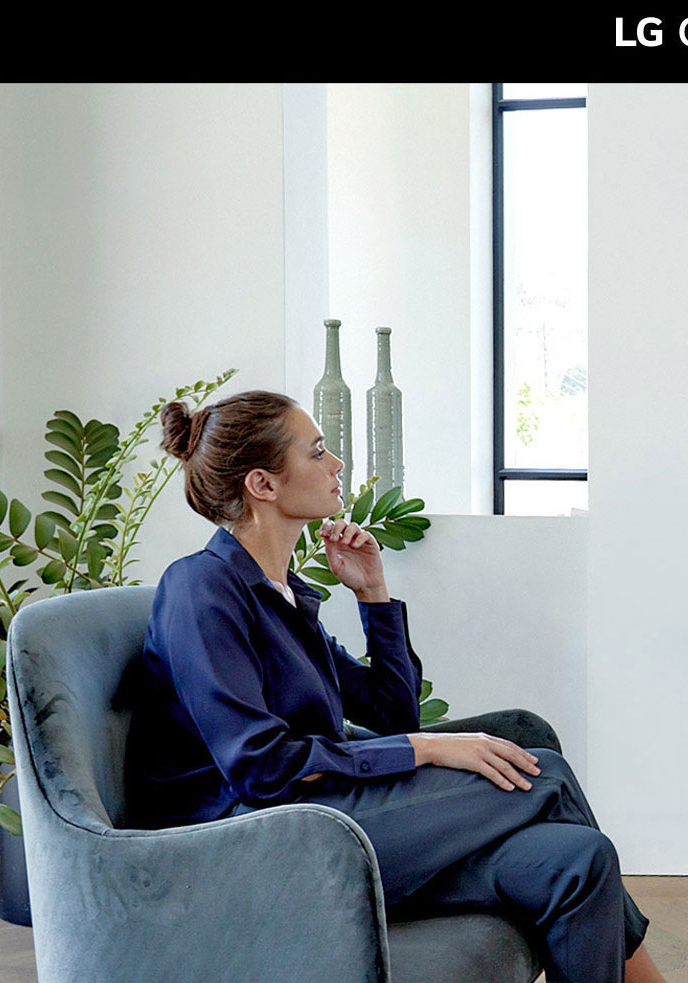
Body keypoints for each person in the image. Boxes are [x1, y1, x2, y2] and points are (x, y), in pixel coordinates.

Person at [129, 389, 661, 983]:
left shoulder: (288, 597)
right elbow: (259, 765)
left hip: (326, 816)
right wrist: (430, 748)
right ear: (263, 484)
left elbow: (392, 710)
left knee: (580, 861)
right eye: (319, 452)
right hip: (256, 842)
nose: (336, 467)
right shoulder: (201, 589)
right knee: (547, 772)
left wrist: (372, 595)